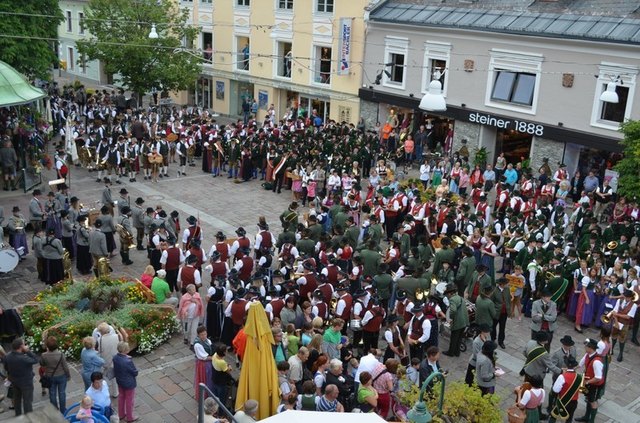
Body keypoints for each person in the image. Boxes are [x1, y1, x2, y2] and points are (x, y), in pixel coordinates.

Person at [3, 338, 38, 416]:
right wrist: (28, 351)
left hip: (14, 381)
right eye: (24, 344)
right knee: (27, 401)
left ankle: (18, 415)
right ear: (21, 346)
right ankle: (28, 417)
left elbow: (6, 367)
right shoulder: (24, 358)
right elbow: (35, 360)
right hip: (26, 383)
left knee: (17, 400)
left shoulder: (7, 356)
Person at [575, 338, 605, 422]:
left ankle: (591, 421)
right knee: (588, 398)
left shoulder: (596, 362)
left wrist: (587, 382)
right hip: (588, 381)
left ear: (590, 348)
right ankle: (586, 417)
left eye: (586, 346)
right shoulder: (588, 354)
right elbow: (581, 363)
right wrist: (571, 369)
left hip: (595, 385)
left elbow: (598, 377)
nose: (584, 347)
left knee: (593, 402)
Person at [40, 336, 71, 413]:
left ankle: (55, 410)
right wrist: (68, 375)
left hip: (50, 376)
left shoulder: (44, 355)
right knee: (62, 393)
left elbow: (42, 364)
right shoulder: (60, 354)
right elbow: (65, 367)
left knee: (52, 393)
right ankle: (63, 410)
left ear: (47, 346)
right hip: (61, 376)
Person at [549, 356, 582, 423]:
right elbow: (581, 389)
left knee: (553, 416)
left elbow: (555, 390)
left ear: (566, 364)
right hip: (574, 402)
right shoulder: (579, 377)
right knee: (569, 418)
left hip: (562, 401)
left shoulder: (562, 376)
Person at [113, 341, 139, 423]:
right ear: (125, 350)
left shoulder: (115, 357)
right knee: (129, 400)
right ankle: (130, 417)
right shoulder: (128, 361)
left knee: (121, 397)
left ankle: (121, 414)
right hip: (129, 383)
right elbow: (134, 372)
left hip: (120, 381)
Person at [95, 322, 121, 397]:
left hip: (106, 360)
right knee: (114, 377)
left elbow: (99, 350)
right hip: (115, 359)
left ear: (101, 332)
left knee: (104, 376)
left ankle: (105, 392)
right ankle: (115, 393)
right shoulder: (116, 336)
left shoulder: (100, 339)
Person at [444, 283, 469, 357]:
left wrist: (451, 318)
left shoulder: (452, 299)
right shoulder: (460, 297)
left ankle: (451, 352)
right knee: (459, 338)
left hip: (458, 322)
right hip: (464, 321)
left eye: (447, 294)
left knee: (454, 338)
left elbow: (453, 310)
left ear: (449, 293)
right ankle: (457, 352)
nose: (447, 296)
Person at [179, 284, 205, 349]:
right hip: (187, 317)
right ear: (188, 291)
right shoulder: (184, 297)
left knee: (194, 330)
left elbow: (201, 305)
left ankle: (192, 343)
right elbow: (181, 307)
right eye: (193, 289)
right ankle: (186, 337)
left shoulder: (197, 295)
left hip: (195, 316)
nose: (195, 290)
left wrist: (196, 302)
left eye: (195, 289)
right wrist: (185, 312)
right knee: (186, 329)